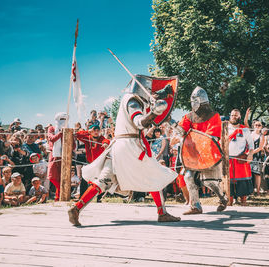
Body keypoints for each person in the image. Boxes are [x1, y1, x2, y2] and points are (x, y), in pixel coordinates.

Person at [68, 79, 181, 226]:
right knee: (153, 173)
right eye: (148, 90)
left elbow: (153, 96)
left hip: (117, 146)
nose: (150, 93)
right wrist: (154, 113)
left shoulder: (129, 99)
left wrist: (165, 92)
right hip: (131, 147)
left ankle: (77, 208)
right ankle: (162, 212)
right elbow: (139, 122)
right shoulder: (133, 102)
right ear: (142, 90)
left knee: (103, 180)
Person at [177, 86, 228, 215]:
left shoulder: (214, 116)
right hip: (192, 154)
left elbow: (210, 136)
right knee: (188, 177)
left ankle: (222, 198)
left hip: (207, 152)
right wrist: (172, 123)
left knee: (209, 181)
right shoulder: (189, 116)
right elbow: (182, 131)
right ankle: (196, 206)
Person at [227, 109, 254, 206]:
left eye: (236, 115)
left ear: (239, 117)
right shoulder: (225, 128)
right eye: (232, 115)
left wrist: (250, 154)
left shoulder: (245, 129)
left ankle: (243, 200)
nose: (234, 117)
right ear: (230, 116)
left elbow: (251, 145)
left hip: (241, 159)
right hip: (228, 159)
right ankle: (229, 201)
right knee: (228, 182)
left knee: (243, 181)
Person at [46, 112, 69, 201]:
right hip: (54, 155)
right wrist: (61, 133)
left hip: (65, 156)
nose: (63, 121)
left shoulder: (68, 129)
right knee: (53, 177)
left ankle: (59, 197)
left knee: (63, 178)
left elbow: (73, 145)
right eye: (61, 119)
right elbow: (52, 138)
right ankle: (59, 194)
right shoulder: (51, 128)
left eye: (65, 119)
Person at [250, 120, 266, 196]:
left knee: (257, 174)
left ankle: (258, 190)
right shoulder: (250, 134)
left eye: (259, 125)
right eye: (256, 125)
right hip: (249, 156)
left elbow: (260, 147)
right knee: (250, 173)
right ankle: (251, 190)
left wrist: (251, 153)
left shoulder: (261, 136)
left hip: (257, 156)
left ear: (261, 127)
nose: (257, 126)